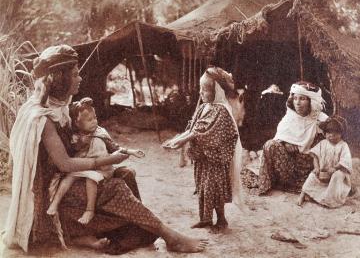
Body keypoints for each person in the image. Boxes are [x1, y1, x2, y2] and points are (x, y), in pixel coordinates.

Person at [2, 44, 207, 254]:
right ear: (60, 79)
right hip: (53, 194)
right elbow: (64, 163)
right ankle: (169, 236)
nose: (80, 79)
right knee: (114, 187)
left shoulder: (60, 108)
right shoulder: (42, 117)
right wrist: (107, 160)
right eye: (74, 75)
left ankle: (139, 229)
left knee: (125, 174)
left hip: (70, 177)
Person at [163, 66, 243, 232]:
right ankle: (205, 219)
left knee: (214, 189)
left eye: (206, 89)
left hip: (215, 160)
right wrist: (176, 139)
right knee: (203, 188)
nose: (201, 93)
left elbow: (203, 131)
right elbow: (193, 127)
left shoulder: (221, 110)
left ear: (218, 91)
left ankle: (221, 220)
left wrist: (181, 141)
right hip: (203, 159)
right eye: (201, 89)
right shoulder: (204, 107)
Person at [46, 97, 145, 225]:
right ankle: (54, 203)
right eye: (89, 120)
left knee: (91, 179)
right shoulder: (77, 137)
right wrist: (81, 143)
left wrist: (131, 151)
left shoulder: (101, 133)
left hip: (102, 168)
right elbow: (71, 152)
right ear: (77, 123)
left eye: (95, 118)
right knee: (69, 178)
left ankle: (89, 210)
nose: (94, 122)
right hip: (85, 166)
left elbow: (114, 147)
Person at [256, 81, 328, 194]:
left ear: (311, 101)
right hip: (287, 168)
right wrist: (285, 143)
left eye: (302, 99)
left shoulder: (321, 121)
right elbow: (279, 138)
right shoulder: (289, 118)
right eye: (295, 99)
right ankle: (272, 183)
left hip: (310, 171)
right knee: (270, 145)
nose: (298, 103)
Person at [298, 115, 352, 207]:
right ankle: (303, 193)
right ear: (325, 133)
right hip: (323, 172)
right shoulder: (323, 143)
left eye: (335, 133)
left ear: (341, 134)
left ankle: (329, 199)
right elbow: (315, 156)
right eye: (328, 133)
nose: (331, 136)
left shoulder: (343, 145)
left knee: (337, 176)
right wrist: (317, 167)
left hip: (337, 171)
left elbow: (345, 160)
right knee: (312, 175)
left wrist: (335, 168)